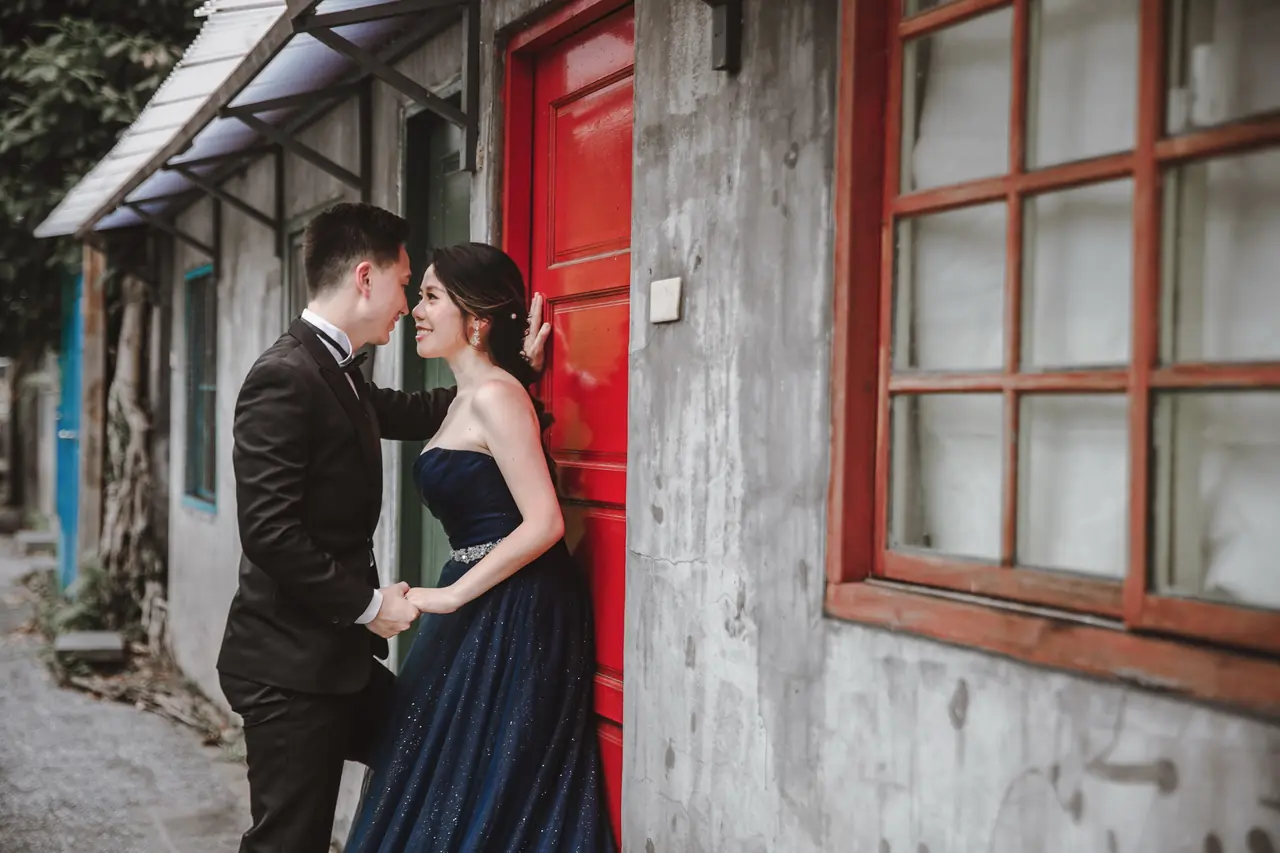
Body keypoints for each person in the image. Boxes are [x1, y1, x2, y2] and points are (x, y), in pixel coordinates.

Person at [216, 203, 549, 853]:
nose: (408, 304)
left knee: (428, 753)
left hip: (336, 661)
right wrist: (371, 606)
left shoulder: (334, 370)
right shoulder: (285, 375)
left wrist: (516, 371)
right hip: (289, 668)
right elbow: (269, 532)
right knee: (289, 842)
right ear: (365, 278)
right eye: (404, 285)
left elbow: (433, 409)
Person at [344, 242, 618, 852]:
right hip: (481, 598)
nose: (416, 310)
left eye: (431, 297)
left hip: (518, 605)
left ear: (476, 318)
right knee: (443, 769)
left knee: (492, 778)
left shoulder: (495, 396)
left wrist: (450, 596)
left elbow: (544, 522)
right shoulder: (471, 397)